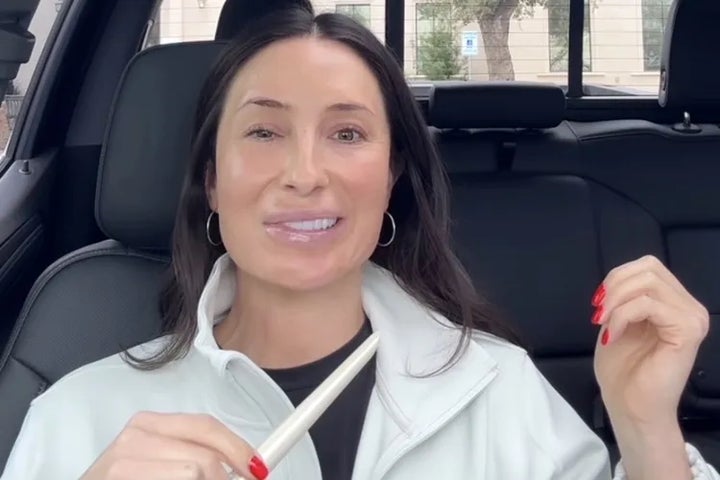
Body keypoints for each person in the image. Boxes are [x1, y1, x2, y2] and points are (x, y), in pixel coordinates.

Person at [1, 6, 717, 480]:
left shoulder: (498, 391)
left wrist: (646, 427)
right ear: (212, 182)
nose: (305, 174)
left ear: (391, 177)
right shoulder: (79, 418)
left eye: (347, 133)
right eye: (264, 131)